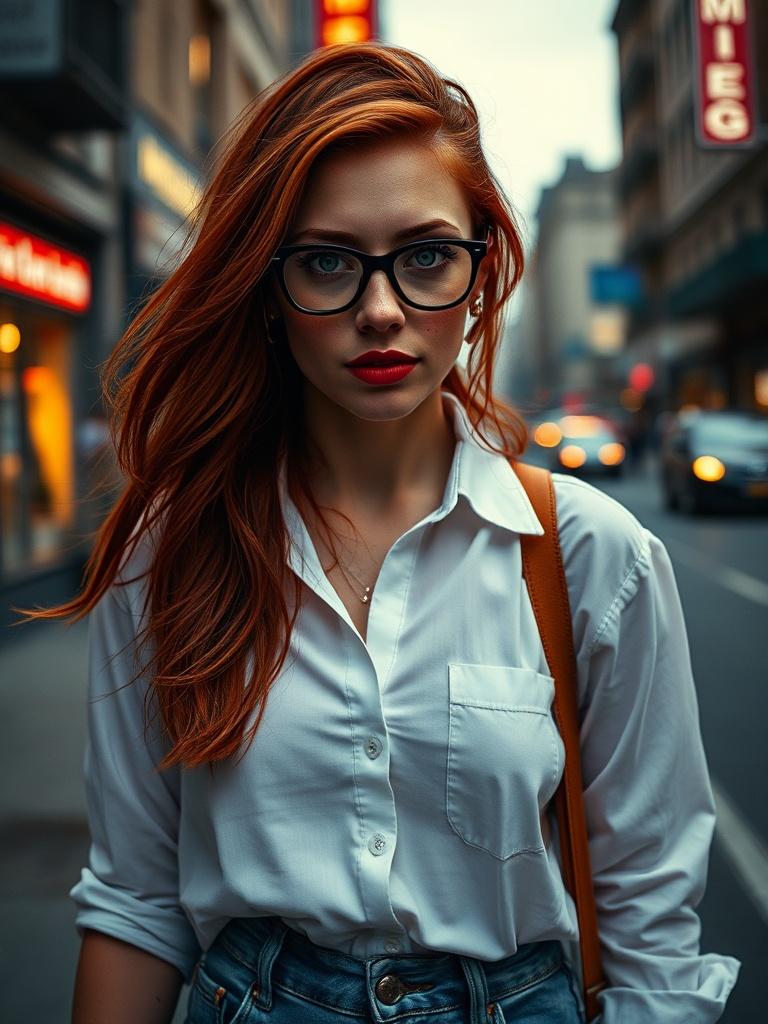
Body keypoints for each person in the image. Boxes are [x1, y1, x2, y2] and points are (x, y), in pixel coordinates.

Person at [25, 42, 739, 1023]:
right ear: (268, 288)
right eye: (326, 262)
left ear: (482, 269)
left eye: (426, 256)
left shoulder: (590, 557)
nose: (380, 309)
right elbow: (138, 899)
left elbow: (653, 937)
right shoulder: (168, 549)